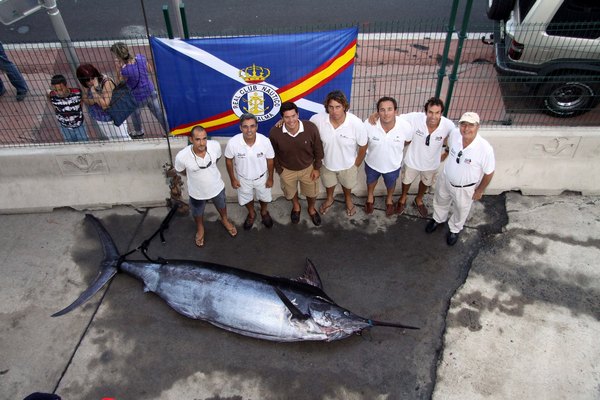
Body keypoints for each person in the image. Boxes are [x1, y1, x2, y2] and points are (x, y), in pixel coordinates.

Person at [425, 112, 495, 246]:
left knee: (461, 209)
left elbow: (489, 173)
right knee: (440, 200)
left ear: (477, 127)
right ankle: (438, 219)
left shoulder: (485, 149)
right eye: (463, 124)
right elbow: (449, 147)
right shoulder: (455, 134)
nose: (466, 128)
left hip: (464, 188)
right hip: (446, 179)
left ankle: (454, 229)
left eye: (471, 125)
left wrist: (480, 190)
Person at [174, 125, 238, 247]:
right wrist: (195, 174)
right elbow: (181, 171)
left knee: (222, 205)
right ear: (191, 140)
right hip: (196, 192)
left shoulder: (215, 146)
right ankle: (200, 227)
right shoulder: (182, 156)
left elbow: (216, 159)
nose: (202, 143)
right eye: (198, 139)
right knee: (197, 212)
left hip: (217, 187)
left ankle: (224, 220)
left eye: (204, 138)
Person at [309, 90, 368, 217]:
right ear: (326, 107)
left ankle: (348, 199)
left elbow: (363, 146)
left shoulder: (356, 123)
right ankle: (330, 198)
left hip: (348, 165)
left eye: (338, 107)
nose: (334, 111)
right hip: (326, 164)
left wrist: (355, 165)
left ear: (345, 107)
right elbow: (303, 128)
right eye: (331, 107)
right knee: (328, 184)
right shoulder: (317, 119)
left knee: (347, 185)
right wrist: (282, 123)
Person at [397, 97, 455, 217]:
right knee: (406, 181)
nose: (433, 116)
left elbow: (456, 139)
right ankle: (403, 199)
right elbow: (396, 117)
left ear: (441, 113)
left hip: (431, 164)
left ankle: (418, 199)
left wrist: (447, 151)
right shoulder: (415, 118)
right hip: (412, 160)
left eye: (437, 113)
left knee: (425, 183)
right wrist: (377, 115)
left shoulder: (448, 125)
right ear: (426, 112)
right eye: (430, 112)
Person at [269, 101, 324, 226]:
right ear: (282, 118)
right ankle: (296, 207)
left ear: (298, 115)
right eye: (287, 117)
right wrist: (280, 170)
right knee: (291, 192)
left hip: (308, 169)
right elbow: (273, 154)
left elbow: (318, 149)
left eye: (293, 116)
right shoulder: (274, 133)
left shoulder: (310, 128)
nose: (291, 120)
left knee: (312, 193)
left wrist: (317, 168)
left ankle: (311, 208)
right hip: (286, 170)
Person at [363, 97, 413, 217]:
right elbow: (364, 141)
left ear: (396, 111)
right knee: (370, 181)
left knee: (391, 184)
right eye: (382, 110)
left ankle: (389, 200)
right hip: (372, 163)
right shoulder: (369, 124)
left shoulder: (405, 126)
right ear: (378, 112)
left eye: (389, 109)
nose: (386, 113)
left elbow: (407, 141)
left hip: (393, 165)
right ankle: (370, 198)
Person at [225, 113, 275, 230]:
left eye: (252, 126)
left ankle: (264, 212)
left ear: (257, 127)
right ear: (240, 127)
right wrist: (233, 179)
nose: (249, 130)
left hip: (262, 178)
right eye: (245, 126)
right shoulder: (233, 142)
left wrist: (270, 178)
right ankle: (252, 214)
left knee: (264, 197)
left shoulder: (265, 141)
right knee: (246, 198)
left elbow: (270, 161)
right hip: (243, 179)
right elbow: (228, 161)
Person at [110, 42, 167, 137]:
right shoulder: (141, 58)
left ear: (119, 56)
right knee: (159, 113)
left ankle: (139, 132)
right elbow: (150, 70)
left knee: (135, 115)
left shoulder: (125, 70)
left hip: (137, 97)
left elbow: (119, 82)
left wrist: (118, 69)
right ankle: (169, 131)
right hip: (150, 90)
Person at [76, 63, 131, 141]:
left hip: (114, 117)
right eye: (87, 80)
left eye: (92, 77)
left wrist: (94, 92)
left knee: (124, 139)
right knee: (112, 139)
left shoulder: (106, 82)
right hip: (100, 118)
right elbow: (85, 99)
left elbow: (105, 105)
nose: (91, 81)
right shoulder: (86, 85)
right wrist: (95, 100)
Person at [47, 74, 89, 142]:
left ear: (66, 86)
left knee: (84, 144)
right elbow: (49, 98)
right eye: (55, 90)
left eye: (61, 89)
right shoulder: (52, 95)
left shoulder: (77, 93)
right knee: (70, 145)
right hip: (64, 127)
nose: (58, 92)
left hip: (79, 125)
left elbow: (81, 102)